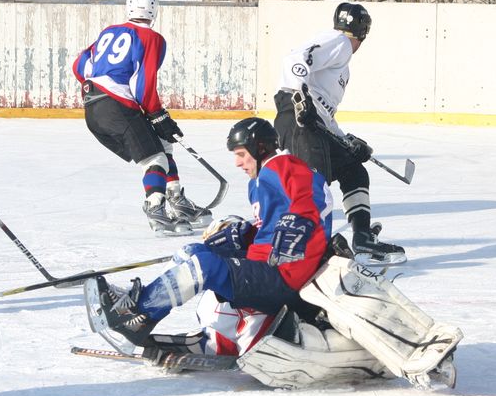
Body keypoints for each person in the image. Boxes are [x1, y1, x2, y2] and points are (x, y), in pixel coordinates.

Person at [84, 117, 334, 354]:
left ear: (260, 148)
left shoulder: (283, 165)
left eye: (241, 154)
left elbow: (314, 196)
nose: (237, 163)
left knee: (205, 266)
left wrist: (300, 220)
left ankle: (139, 317)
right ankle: (140, 307)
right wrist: (246, 235)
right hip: (265, 267)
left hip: (284, 277)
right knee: (193, 251)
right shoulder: (258, 181)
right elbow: (273, 231)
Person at [273, 2, 406, 265]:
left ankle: (362, 238)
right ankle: (303, 249)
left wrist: (347, 142)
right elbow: (294, 61)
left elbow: (323, 112)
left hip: (312, 121)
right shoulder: (340, 43)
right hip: (298, 117)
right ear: (364, 33)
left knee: (353, 169)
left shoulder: (340, 61)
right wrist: (299, 100)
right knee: (314, 186)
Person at [72, 0, 211, 236]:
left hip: (93, 106)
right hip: (117, 106)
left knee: (163, 144)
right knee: (155, 159)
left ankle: (176, 200)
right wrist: (158, 114)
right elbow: (142, 85)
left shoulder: (109, 32)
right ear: (155, 11)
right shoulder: (152, 38)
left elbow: (79, 65)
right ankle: (155, 208)